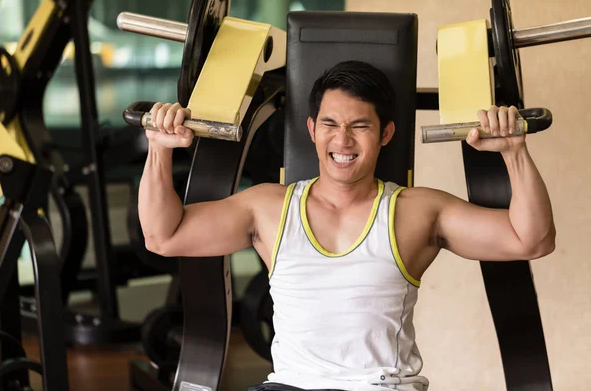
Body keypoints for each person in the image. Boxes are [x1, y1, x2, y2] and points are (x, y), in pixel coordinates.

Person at [137, 61, 556, 391]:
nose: (343, 141)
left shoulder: (415, 210)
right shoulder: (268, 207)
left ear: (386, 134)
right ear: (312, 130)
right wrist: (158, 147)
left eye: (360, 127)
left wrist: (514, 152)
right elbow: (163, 235)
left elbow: (531, 240)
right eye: (331, 125)